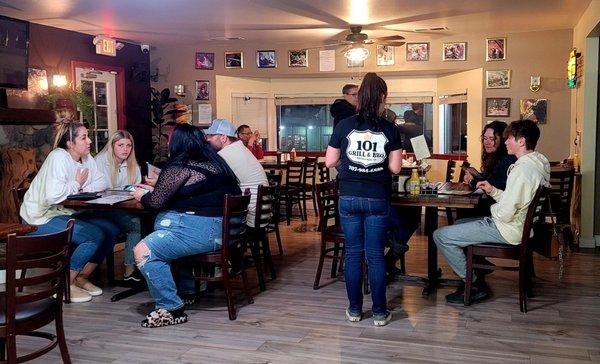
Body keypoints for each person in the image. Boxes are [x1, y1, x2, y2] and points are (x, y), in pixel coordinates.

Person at [131, 123, 241, 328]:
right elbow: (191, 194)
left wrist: (141, 195)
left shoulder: (180, 167)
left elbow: (155, 202)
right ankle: (187, 288)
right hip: (224, 231)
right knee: (166, 224)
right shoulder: (216, 163)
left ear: (177, 143)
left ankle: (171, 307)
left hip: (204, 233)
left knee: (144, 251)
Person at [433, 119, 550, 305]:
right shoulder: (536, 164)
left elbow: (505, 214)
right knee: (458, 224)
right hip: (516, 226)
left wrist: (491, 213)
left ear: (521, 141)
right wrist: (492, 190)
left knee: (440, 235)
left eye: (509, 138)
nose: (505, 142)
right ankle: (475, 273)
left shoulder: (522, 170)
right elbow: (514, 199)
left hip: (507, 229)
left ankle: (474, 284)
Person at [325, 72, 402, 327]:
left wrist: (349, 165)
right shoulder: (390, 128)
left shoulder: (344, 125)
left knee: (353, 255)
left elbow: (330, 161)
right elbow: (395, 169)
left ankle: (355, 310)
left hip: (348, 197)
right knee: (376, 256)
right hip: (377, 198)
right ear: (382, 97)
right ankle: (380, 313)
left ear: (360, 97)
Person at [20, 110, 120, 303]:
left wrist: (79, 186)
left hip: (64, 212)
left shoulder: (86, 158)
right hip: (40, 218)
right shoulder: (58, 157)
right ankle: (65, 283)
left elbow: (101, 183)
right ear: (70, 143)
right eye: (83, 138)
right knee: (94, 235)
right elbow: (53, 196)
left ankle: (82, 277)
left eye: (88, 137)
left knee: (111, 229)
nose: (89, 141)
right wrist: (76, 185)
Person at [95, 130, 143, 282]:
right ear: (112, 146)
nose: (125, 149)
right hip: (100, 209)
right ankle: (130, 270)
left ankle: (138, 268)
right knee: (135, 225)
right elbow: (100, 189)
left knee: (143, 222)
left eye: (129, 145)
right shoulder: (101, 161)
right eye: (121, 145)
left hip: (121, 209)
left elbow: (136, 187)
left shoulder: (132, 164)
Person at [204, 119, 268, 228]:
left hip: (249, 217)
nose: (207, 139)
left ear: (223, 138)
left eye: (210, 136)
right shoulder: (239, 148)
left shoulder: (225, 154)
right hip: (261, 213)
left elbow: (208, 181)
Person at [462, 121, 517, 216]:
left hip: (500, 210)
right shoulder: (495, 157)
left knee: (464, 210)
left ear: (503, 140)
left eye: (492, 139)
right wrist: (474, 176)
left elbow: (492, 185)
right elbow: (490, 178)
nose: (487, 142)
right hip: (496, 205)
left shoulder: (506, 159)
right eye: (485, 138)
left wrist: (472, 180)